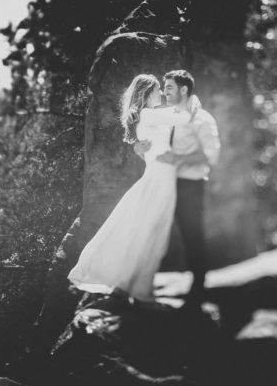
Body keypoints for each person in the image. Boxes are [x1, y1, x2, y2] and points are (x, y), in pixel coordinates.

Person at [67, 74, 200, 303]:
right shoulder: (148, 114)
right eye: (158, 89)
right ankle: (137, 287)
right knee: (151, 232)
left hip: (161, 177)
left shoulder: (148, 116)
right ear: (147, 93)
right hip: (159, 179)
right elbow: (183, 117)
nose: (161, 93)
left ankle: (135, 284)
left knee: (150, 231)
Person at [135, 70, 220, 306]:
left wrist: (178, 159)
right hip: (163, 182)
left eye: (169, 87)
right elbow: (150, 139)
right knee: (151, 232)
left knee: (192, 235)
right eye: (164, 88)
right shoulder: (167, 116)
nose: (164, 93)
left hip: (190, 186)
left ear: (184, 89)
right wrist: (139, 148)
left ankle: (198, 290)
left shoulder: (202, 119)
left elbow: (211, 155)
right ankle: (140, 283)